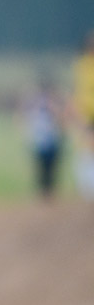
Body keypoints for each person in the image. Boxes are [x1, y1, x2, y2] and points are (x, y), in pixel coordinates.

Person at [18, 73, 68, 201]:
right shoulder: (34, 101)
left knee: (51, 166)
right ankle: (42, 193)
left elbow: (63, 117)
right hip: (40, 139)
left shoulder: (55, 101)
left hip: (52, 138)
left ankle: (50, 193)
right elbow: (24, 113)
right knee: (41, 166)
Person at [72, 30, 94, 201]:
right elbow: (79, 91)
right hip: (87, 114)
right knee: (86, 149)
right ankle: (87, 188)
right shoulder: (81, 66)